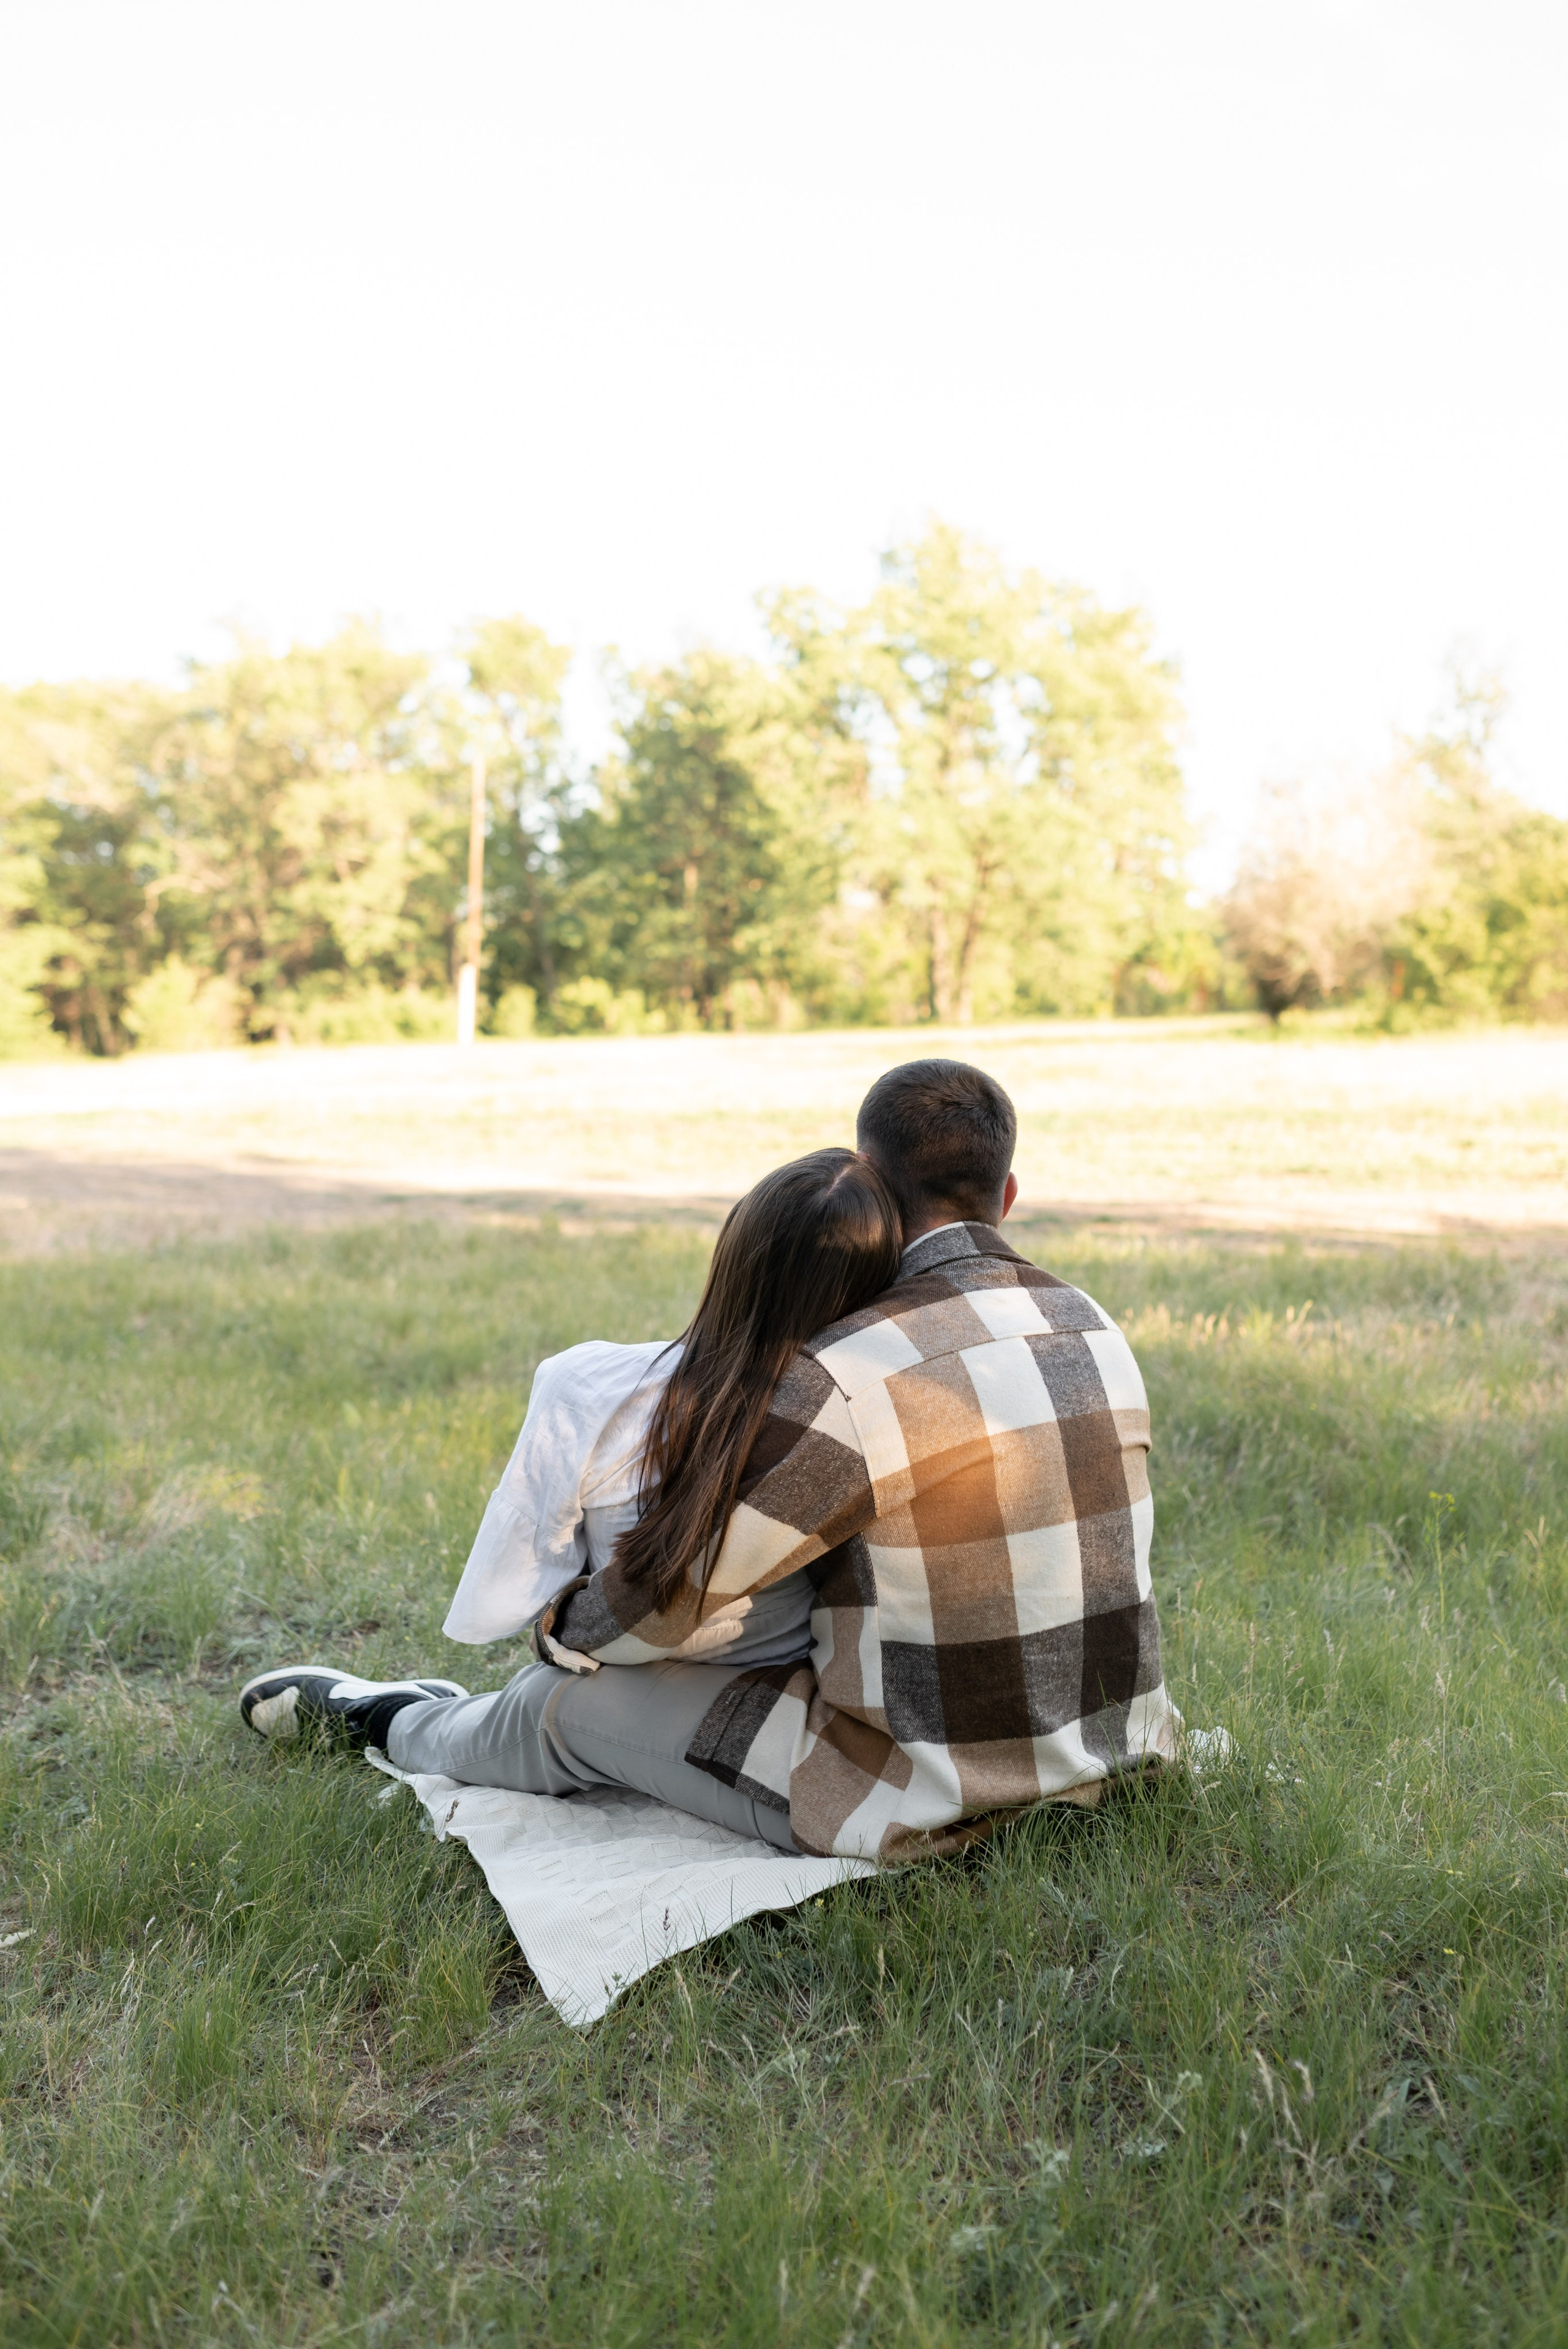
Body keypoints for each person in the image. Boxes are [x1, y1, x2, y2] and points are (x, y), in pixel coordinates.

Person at [241, 1060, 1178, 1860]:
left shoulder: (850, 1373)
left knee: (560, 1711)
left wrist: (562, 1632)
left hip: (933, 1799)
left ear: (871, 1194)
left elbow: (676, 1597)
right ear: (1008, 1196)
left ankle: (385, 1720)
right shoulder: (1092, 1325)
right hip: (1107, 1754)